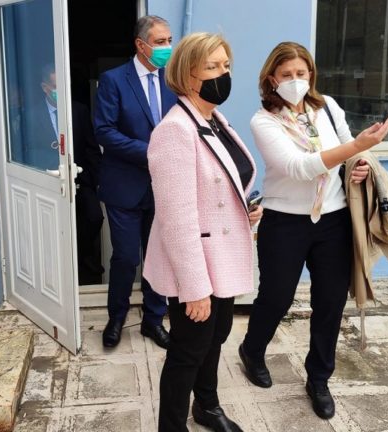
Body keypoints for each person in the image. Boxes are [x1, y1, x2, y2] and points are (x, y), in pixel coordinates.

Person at [238, 42, 388, 420]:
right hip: (284, 221)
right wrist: (355, 147)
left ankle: (319, 378)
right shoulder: (264, 121)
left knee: (330, 303)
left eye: (301, 73)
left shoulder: (329, 108)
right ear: (271, 78)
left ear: (311, 74)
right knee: (276, 297)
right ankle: (252, 350)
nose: (295, 80)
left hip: (334, 219)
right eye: (286, 74)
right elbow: (298, 167)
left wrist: (359, 161)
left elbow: (349, 151)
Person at [145, 32, 263, 432]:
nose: (222, 74)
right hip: (196, 267)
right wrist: (194, 289)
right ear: (187, 74)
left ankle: (207, 407)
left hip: (221, 257)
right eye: (212, 67)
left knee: (216, 338)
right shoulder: (175, 130)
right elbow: (176, 218)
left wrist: (244, 209)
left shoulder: (214, 121)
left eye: (225, 65)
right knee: (188, 351)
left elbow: (222, 185)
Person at [93, 16, 177, 349]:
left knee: (158, 257)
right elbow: (105, 131)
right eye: (160, 42)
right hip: (124, 186)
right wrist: (151, 152)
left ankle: (154, 321)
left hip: (163, 187)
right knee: (126, 257)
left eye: (169, 40)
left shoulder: (173, 80)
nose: (167, 47)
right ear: (141, 45)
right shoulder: (114, 80)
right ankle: (117, 318)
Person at [23, 64, 104, 285]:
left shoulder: (78, 110)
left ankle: (84, 266)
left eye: (64, 85)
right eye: (56, 86)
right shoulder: (31, 115)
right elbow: (28, 151)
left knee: (93, 218)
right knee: (51, 229)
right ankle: (55, 275)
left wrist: (92, 180)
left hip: (80, 179)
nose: (61, 91)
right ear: (45, 88)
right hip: (48, 180)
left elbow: (91, 148)